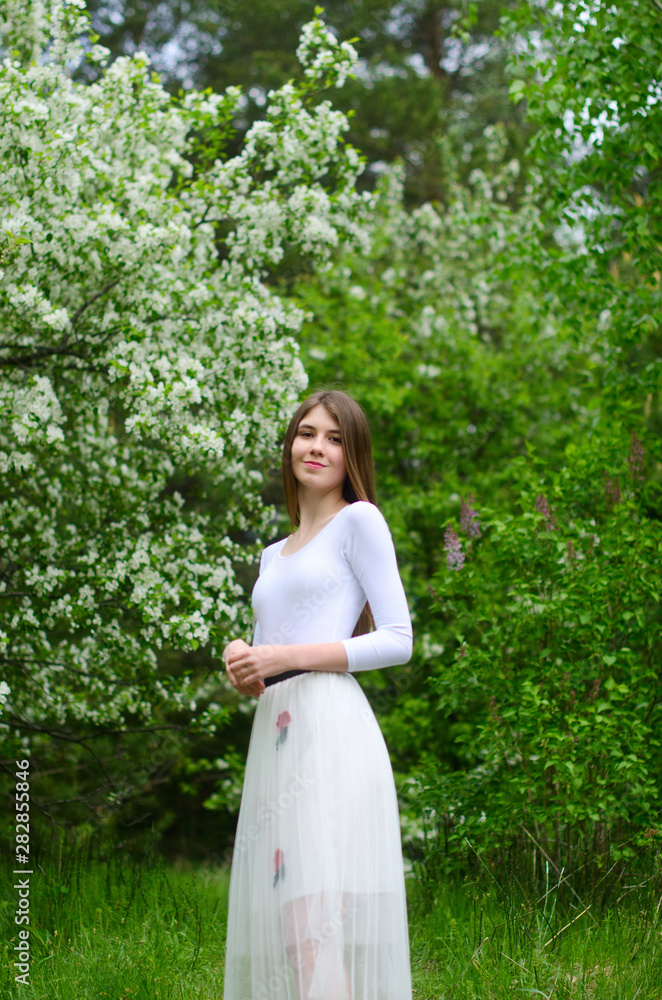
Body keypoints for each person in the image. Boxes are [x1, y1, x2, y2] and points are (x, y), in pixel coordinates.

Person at [221, 389, 414, 1000]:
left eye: (335, 438)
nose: (318, 447)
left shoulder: (359, 521)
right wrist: (243, 659)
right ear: (290, 443)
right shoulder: (272, 555)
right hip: (278, 741)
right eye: (308, 433)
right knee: (294, 930)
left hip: (330, 733)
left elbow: (398, 640)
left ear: (351, 453)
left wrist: (287, 657)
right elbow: (268, 657)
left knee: (312, 925)